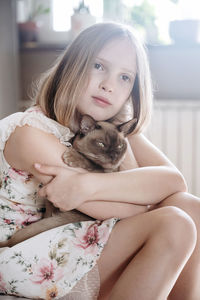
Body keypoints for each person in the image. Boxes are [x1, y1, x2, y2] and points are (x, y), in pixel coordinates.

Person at [0, 22, 199, 300]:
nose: (108, 85)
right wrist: (140, 188)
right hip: (24, 254)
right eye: (98, 66)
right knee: (174, 223)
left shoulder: (111, 129)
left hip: (70, 236)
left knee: (190, 207)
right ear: (73, 66)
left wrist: (88, 184)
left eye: (125, 78)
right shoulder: (30, 134)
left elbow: (175, 181)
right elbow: (130, 211)